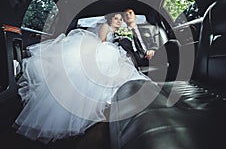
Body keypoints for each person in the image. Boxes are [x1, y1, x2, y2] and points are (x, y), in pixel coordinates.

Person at [13, 12, 150, 144]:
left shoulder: (114, 32)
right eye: (116, 19)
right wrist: (113, 50)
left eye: (120, 19)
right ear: (109, 20)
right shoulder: (105, 27)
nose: (119, 21)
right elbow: (101, 43)